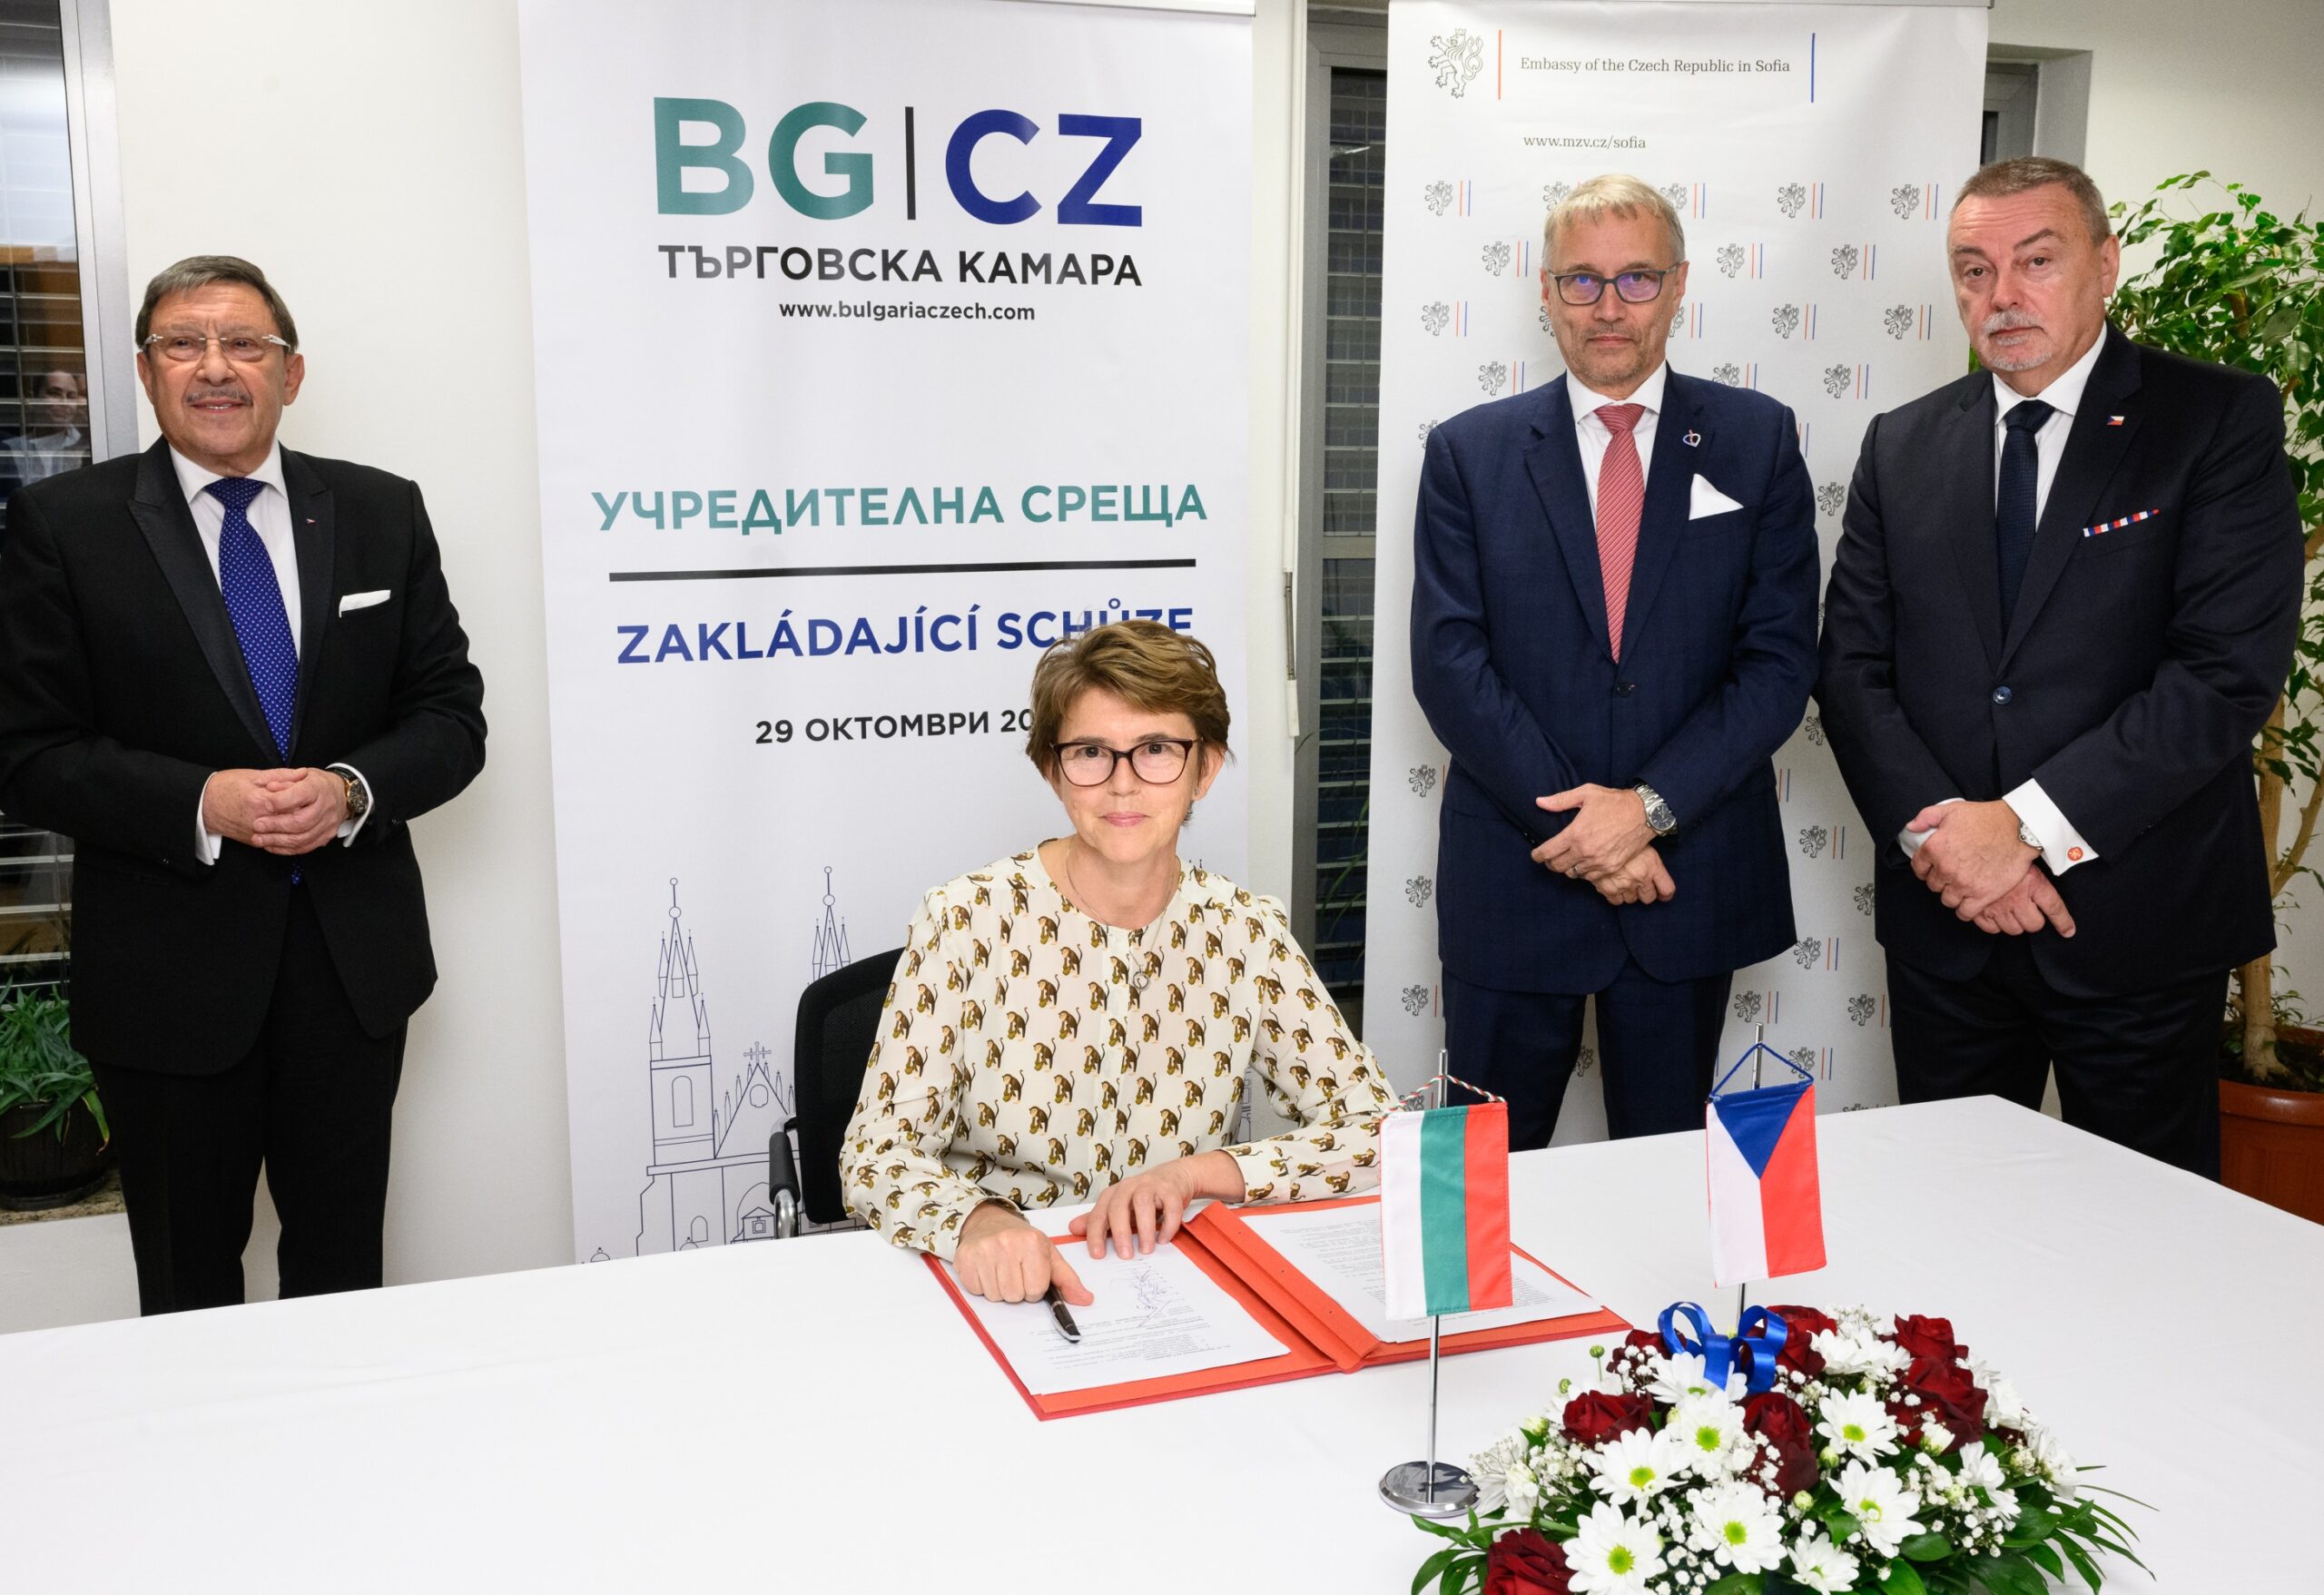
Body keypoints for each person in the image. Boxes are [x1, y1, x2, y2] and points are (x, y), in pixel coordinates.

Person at [0, 256, 487, 1311]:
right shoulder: (63, 525)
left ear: (291, 372)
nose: (214, 367)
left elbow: (452, 717)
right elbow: (29, 754)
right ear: (145, 371)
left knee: (344, 1280)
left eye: (243, 344)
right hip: (166, 984)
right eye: (183, 343)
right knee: (186, 1291)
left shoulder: (380, 510)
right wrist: (198, 802)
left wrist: (352, 787)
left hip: (350, 975)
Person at [1817, 157, 2300, 1176]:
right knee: (1950, 1225)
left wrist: (2025, 831)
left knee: (2142, 1233)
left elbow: (2222, 673)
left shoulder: (2215, 418)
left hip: (2136, 924)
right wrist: (1951, 848)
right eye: (1974, 269)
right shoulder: (1901, 442)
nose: (2002, 295)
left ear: (2105, 264)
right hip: (1946, 924)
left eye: (2036, 261)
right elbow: (1852, 670)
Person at [1409, 173, 1819, 1150]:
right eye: (1581, 280)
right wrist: (1588, 828)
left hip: (1686, 873)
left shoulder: (1757, 438)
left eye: (1636, 278)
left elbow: (1776, 662)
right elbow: (1450, 662)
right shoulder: (1468, 452)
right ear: (1545, 292)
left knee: (1668, 1176)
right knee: (1481, 1180)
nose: (1607, 306)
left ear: (1679, 286)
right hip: (1518, 873)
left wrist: (1647, 811)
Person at [840, 619, 1397, 1305]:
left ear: (1205, 769)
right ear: (1054, 771)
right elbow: (875, 1155)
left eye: (1157, 749)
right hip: (1002, 1282)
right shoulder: (964, 919)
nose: (1123, 784)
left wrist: (1192, 1175)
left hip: (1175, 1279)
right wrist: (978, 1222)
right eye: (1091, 752)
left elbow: (1378, 1132)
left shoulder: (1246, 931)